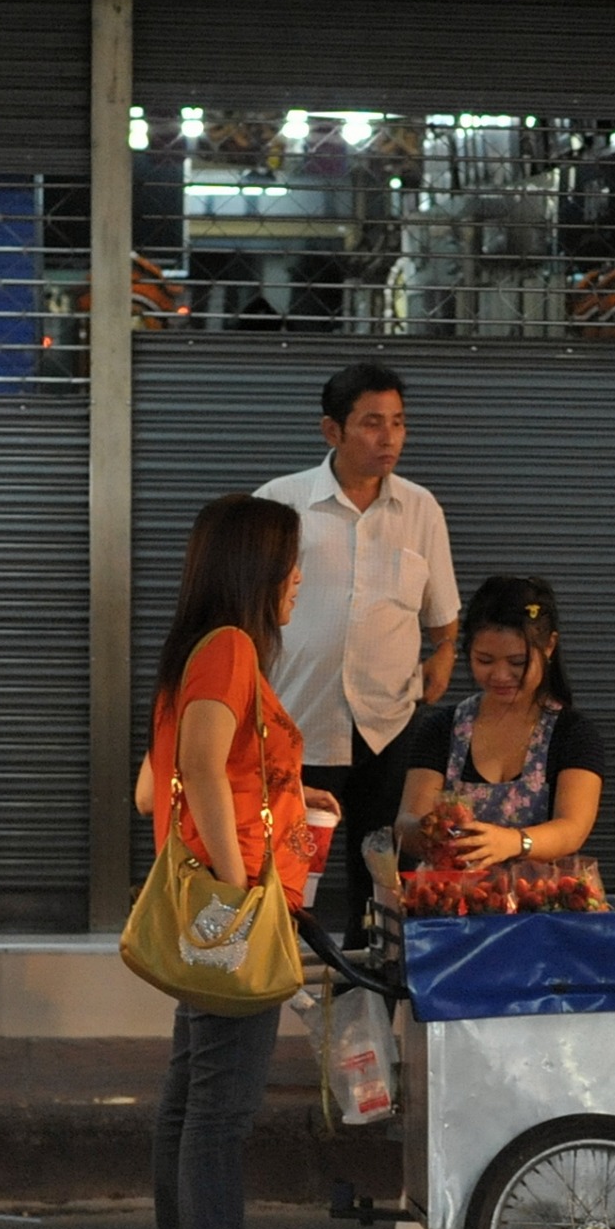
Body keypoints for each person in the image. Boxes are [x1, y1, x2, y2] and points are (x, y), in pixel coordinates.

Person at [135, 494, 340, 1229]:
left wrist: (293, 798)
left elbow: (155, 793)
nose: (299, 581)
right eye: (292, 564)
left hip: (218, 909)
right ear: (258, 570)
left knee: (190, 1101)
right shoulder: (231, 648)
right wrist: (238, 885)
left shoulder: (194, 650)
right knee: (219, 1115)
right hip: (239, 912)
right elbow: (194, 772)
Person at [257, 361, 459, 949]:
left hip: (387, 724)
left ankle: (363, 1004)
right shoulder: (280, 504)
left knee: (377, 875)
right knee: (289, 872)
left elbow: (443, 619)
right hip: (298, 722)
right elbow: (244, 614)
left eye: (398, 423)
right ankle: (274, 981)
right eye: (372, 423)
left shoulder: (421, 509)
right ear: (332, 431)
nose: (389, 437)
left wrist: (444, 655)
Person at [399, 575, 605, 870]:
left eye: (517, 662)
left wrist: (512, 842)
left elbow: (572, 828)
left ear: (549, 647)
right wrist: (428, 830)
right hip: (450, 901)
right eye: (484, 660)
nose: (499, 675)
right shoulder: (442, 728)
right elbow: (406, 821)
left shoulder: (573, 733)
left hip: (538, 903)